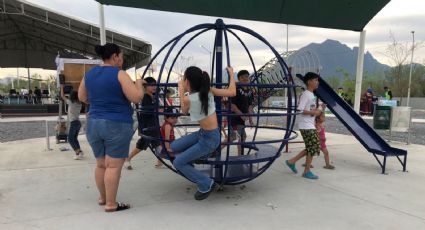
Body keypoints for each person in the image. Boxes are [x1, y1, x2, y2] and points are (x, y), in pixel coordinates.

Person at [78, 43, 145, 212]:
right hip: (116, 123)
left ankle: (103, 198)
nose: (122, 61)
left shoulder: (89, 74)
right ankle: (111, 204)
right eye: (121, 58)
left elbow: (82, 97)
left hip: (93, 123)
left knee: (101, 165)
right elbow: (136, 98)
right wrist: (138, 84)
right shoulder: (120, 74)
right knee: (113, 166)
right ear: (115, 56)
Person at [171, 66, 236, 200]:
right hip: (204, 134)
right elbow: (232, 92)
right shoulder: (208, 90)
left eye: (184, 79)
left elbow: (183, 110)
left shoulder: (191, 98)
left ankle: (206, 183)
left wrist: (181, 89)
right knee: (173, 147)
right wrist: (231, 74)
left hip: (209, 140)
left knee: (178, 163)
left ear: (187, 81)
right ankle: (191, 162)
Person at [285, 72, 322, 180]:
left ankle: (291, 162)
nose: (317, 82)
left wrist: (317, 111)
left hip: (309, 124)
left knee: (311, 147)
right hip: (306, 126)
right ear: (309, 81)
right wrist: (315, 113)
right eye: (315, 80)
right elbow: (300, 110)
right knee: (314, 147)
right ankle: (306, 171)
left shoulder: (311, 94)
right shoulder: (306, 94)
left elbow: (310, 110)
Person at [125, 77, 161, 170]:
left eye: (155, 85)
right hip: (147, 125)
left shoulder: (152, 96)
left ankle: (160, 161)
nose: (154, 87)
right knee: (142, 144)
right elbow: (146, 110)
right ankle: (128, 158)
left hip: (152, 124)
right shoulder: (146, 96)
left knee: (157, 142)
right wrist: (156, 109)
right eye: (151, 85)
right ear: (145, 86)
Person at [230, 70, 254, 155]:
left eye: (247, 76)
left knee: (241, 137)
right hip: (235, 118)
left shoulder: (250, 91)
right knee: (235, 137)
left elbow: (250, 106)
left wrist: (250, 119)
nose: (245, 78)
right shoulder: (236, 89)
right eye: (242, 77)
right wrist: (241, 115)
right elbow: (233, 105)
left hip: (241, 119)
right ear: (239, 79)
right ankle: (216, 151)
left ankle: (239, 155)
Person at [60, 85, 83, 160]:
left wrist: (62, 87)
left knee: (70, 139)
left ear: (71, 96)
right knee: (75, 138)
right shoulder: (79, 103)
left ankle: (77, 153)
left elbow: (62, 96)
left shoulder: (71, 102)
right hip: (78, 123)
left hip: (74, 123)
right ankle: (80, 151)